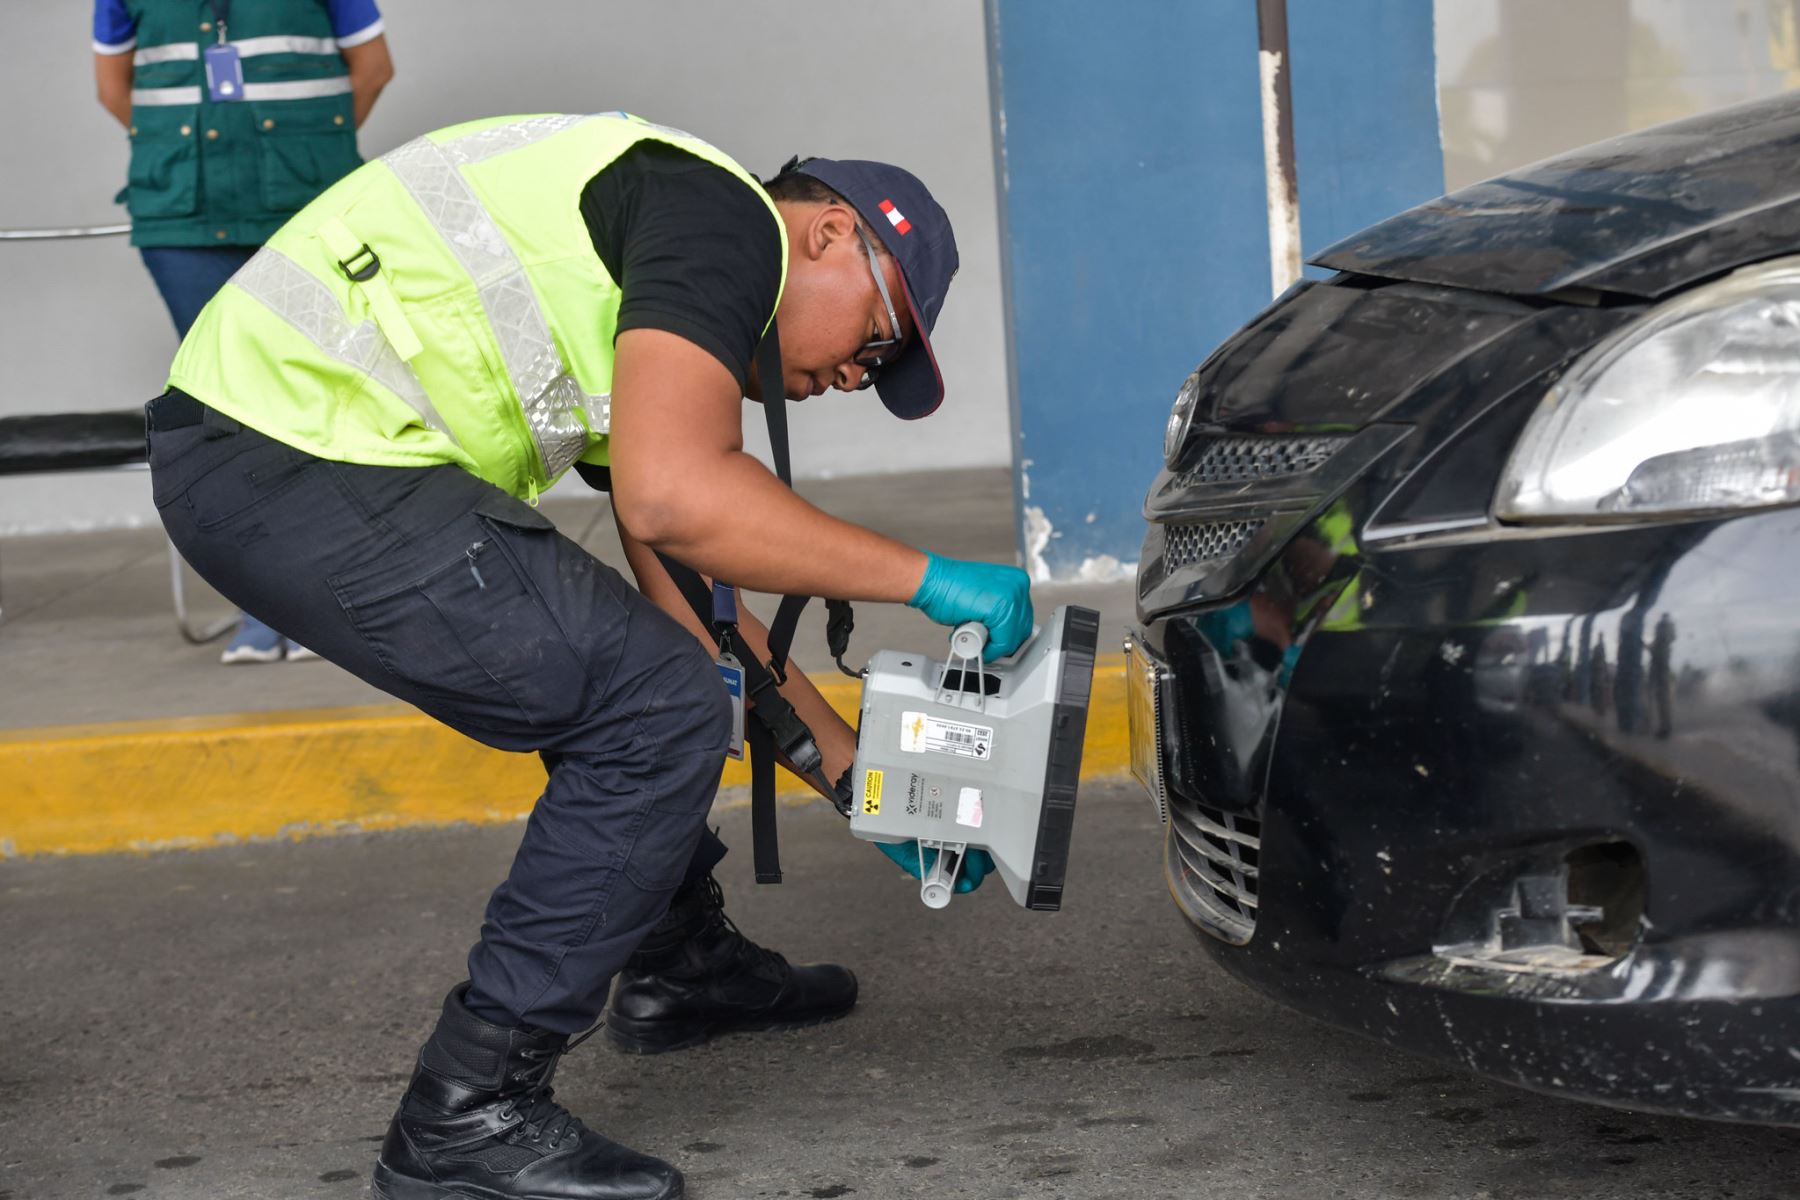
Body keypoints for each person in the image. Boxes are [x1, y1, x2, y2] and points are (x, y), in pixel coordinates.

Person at [145, 111, 1032, 1200]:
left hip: (280, 457)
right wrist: (932, 579)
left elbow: (697, 610)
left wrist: (862, 780)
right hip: (292, 452)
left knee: (650, 674)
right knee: (651, 709)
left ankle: (674, 963)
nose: (856, 377)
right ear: (830, 234)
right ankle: (466, 1113)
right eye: (879, 341)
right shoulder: (721, 220)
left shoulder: (658, 290)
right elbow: (675, 495)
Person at [94, 0, 394, 663]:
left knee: (318, 395)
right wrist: (182, 151)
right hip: (185, 219)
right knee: (223, 407)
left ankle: (330, 601)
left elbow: (373, 68)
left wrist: (301, 149)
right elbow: (112, 86)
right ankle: (262, 608)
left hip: (302, 205)